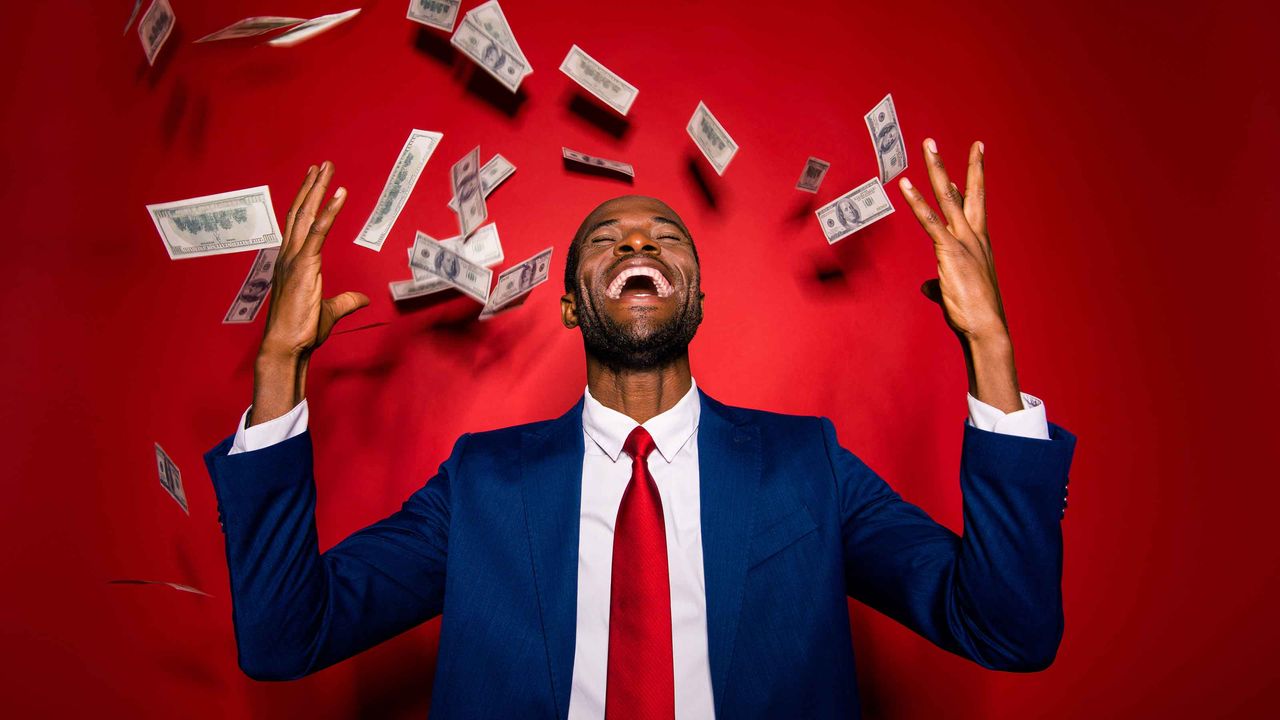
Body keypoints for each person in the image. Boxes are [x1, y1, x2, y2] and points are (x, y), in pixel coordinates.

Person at [204, 138, 1075, 720]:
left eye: (664, 239)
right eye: (605, 242)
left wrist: (990, 350)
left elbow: (1004, 628)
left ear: (695, 296)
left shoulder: (806, 466)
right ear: (569, 302)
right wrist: (278, 366)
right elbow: (286, 638)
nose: (635, 246)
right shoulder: (482, 483)